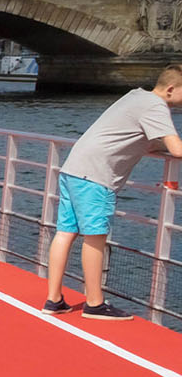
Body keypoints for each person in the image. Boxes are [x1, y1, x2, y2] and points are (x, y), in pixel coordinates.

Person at [43, 66, 182, 320]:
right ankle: (94, 304)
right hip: (96, 176)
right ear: (171, 89)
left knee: (65, 232)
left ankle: (53, 299)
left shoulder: (135, 95)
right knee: (95, 236)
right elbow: (176, 149)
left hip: (74, 169)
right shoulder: (156, 106)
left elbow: (146, 137)